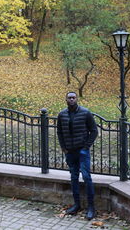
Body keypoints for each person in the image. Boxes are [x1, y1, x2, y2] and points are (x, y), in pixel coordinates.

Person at [57, 92, 98, 220]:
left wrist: (86, 147)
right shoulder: (62, 114)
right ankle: (77, 205)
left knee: (86, 177)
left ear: (77, 99)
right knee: (74, 177)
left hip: (82, 151)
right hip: (70, 152)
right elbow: (59, 132)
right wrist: (64, 147)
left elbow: (94, 131)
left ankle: (91, 207)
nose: (71, 99)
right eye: (69, 98)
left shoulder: (85, 113)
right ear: (66, 100)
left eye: (73, 97)